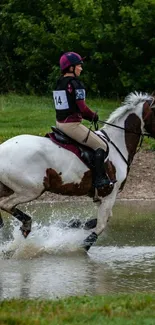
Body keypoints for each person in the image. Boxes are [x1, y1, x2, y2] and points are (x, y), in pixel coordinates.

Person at [53, 51, 114, 188]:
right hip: (71, 125)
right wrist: (93, 116)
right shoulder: (76, 84)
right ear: (71, 68)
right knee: (102, 146)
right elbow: (82, 108)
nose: (81, 68)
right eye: (79, 65)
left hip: (60, 123)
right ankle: (99, 180)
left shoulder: (59, 82)